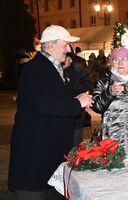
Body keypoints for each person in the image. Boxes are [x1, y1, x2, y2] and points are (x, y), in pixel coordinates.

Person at [8, 25, 94, 200]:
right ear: (50, 45)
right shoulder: (34, 69)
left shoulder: (53, 67)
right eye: (65, 45)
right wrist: (77, 103)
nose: (69, 50)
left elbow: (54, 98)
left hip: (50, 158)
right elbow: (44, 104)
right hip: (35, 158)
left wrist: (75, 97)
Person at [63, 48, 94, 147]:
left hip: (76, 116)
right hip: (61, 114)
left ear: (69, 57)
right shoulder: (54, 69)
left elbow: (89, 87)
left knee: (75, 145)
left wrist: (75, 94)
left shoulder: (79, 68)